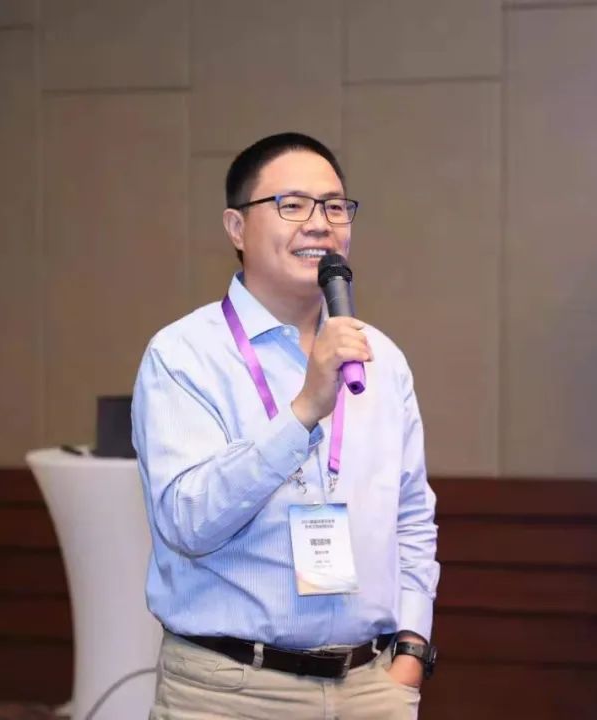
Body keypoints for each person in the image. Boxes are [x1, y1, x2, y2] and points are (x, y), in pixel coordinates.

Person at [132, 132, 440, 719]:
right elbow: (187, 522)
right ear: (236, 228)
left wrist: (410, 650)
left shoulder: (380, 357)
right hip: (230, 691)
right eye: (292, 205)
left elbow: (411, 516)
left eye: (334, 206)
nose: (319, 224)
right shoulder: (184, 355)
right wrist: (302, 412)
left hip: (371, 688)